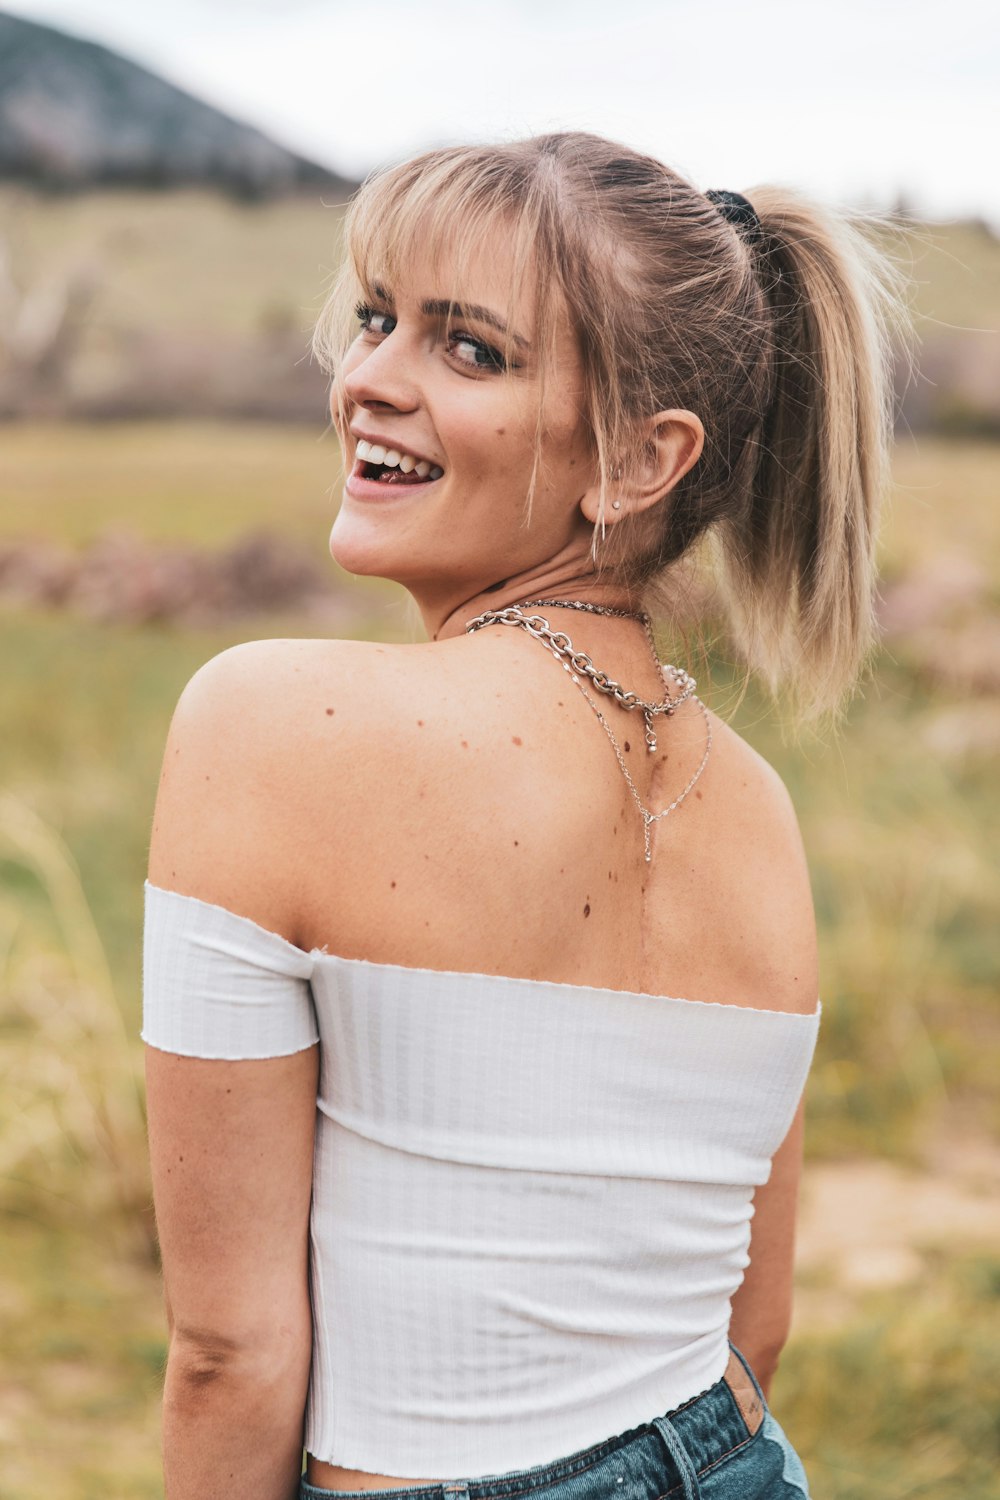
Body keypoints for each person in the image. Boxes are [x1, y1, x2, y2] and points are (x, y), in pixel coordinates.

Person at [141, 132, 899, 1500]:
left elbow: (229, 1355)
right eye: (377, 320)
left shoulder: (266, 724)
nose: (366, 377)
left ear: (638, 460)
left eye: (468, 350)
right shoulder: (761, 808)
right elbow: (754, 1323)